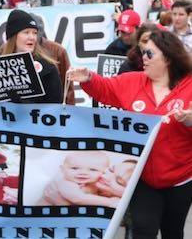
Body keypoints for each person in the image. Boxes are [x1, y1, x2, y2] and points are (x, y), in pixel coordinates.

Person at [68, 30, 192, 239]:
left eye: (150, 54)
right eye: (143, 52)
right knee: (143, 229)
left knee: (173, 231)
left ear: (168, 58)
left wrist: (189, 120)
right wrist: (88, 77)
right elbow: (105, 88)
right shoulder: (132, 81)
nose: (143, 58)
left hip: (181, 177)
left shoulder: (189, 85)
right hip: (142, 176)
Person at [0, 10, 63, 103]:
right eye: (26, 32)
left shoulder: (47, 68)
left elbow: (55, 108)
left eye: (35, 33)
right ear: (14, 36)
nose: (32, 37)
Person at [39, 151, 119, 208]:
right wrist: (110, 202)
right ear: (62, 170)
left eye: (93, 170)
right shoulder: (66, 182)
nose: (83, 173)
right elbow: (78, 198)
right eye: (75, 168)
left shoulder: (94, 184)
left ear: (104, 172)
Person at [30, 13, 75, 104]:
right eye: (27, 32)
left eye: (37, 31)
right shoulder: (8, 49)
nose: (34, 36)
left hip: (51, 110)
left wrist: (69, 113)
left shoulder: (57, 50)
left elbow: (67, 86)